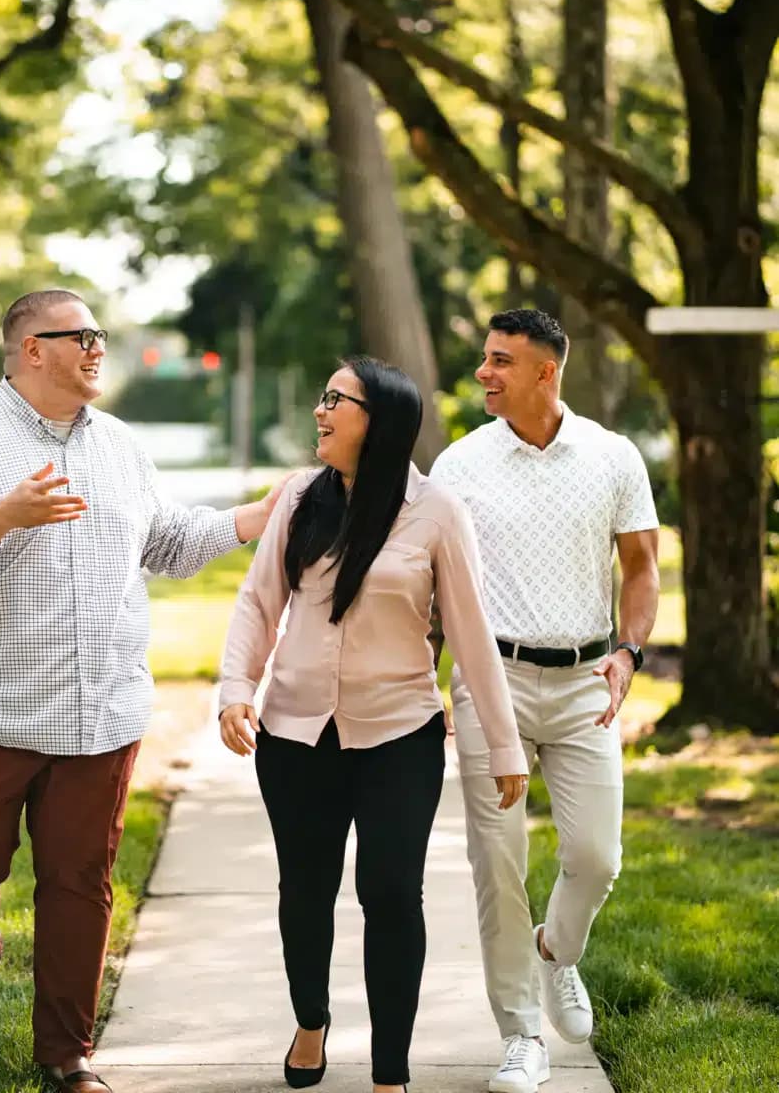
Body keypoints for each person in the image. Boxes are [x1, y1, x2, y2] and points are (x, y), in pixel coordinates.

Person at [0, 287, 286, 1093]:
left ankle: (66, 1056)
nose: (100, 348)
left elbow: (168, 542)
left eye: (102, 335)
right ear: (32, 348)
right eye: (83, 336)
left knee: (79, 882)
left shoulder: (122, 448)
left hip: (98, 707)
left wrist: (257, 514)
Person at [218, 355, 529, 1093]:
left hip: (399, 735)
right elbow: (258, 604)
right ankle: (311, 1021)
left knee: (391, 892)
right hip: (295, 735)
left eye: (336, 400)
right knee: (306, 888)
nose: (320, 412)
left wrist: (506, 744)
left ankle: (391, 1072)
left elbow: (471, 633)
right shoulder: (299, 497)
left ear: (379, 420)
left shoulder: (438, 513)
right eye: (322, 397)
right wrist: (236, 687)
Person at [429, 308, 659, 1093]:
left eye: (500, 361)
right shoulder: (459, 465)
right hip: (489, 681)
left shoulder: (613, 456)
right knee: (497, 860)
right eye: (484, 359)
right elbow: (432, 579)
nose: (484, 373)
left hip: (586, 680)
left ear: (545, 372)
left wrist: (629, 653)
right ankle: (520, 1035)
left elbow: (641, 568)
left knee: (596, 857)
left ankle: (556, 951)